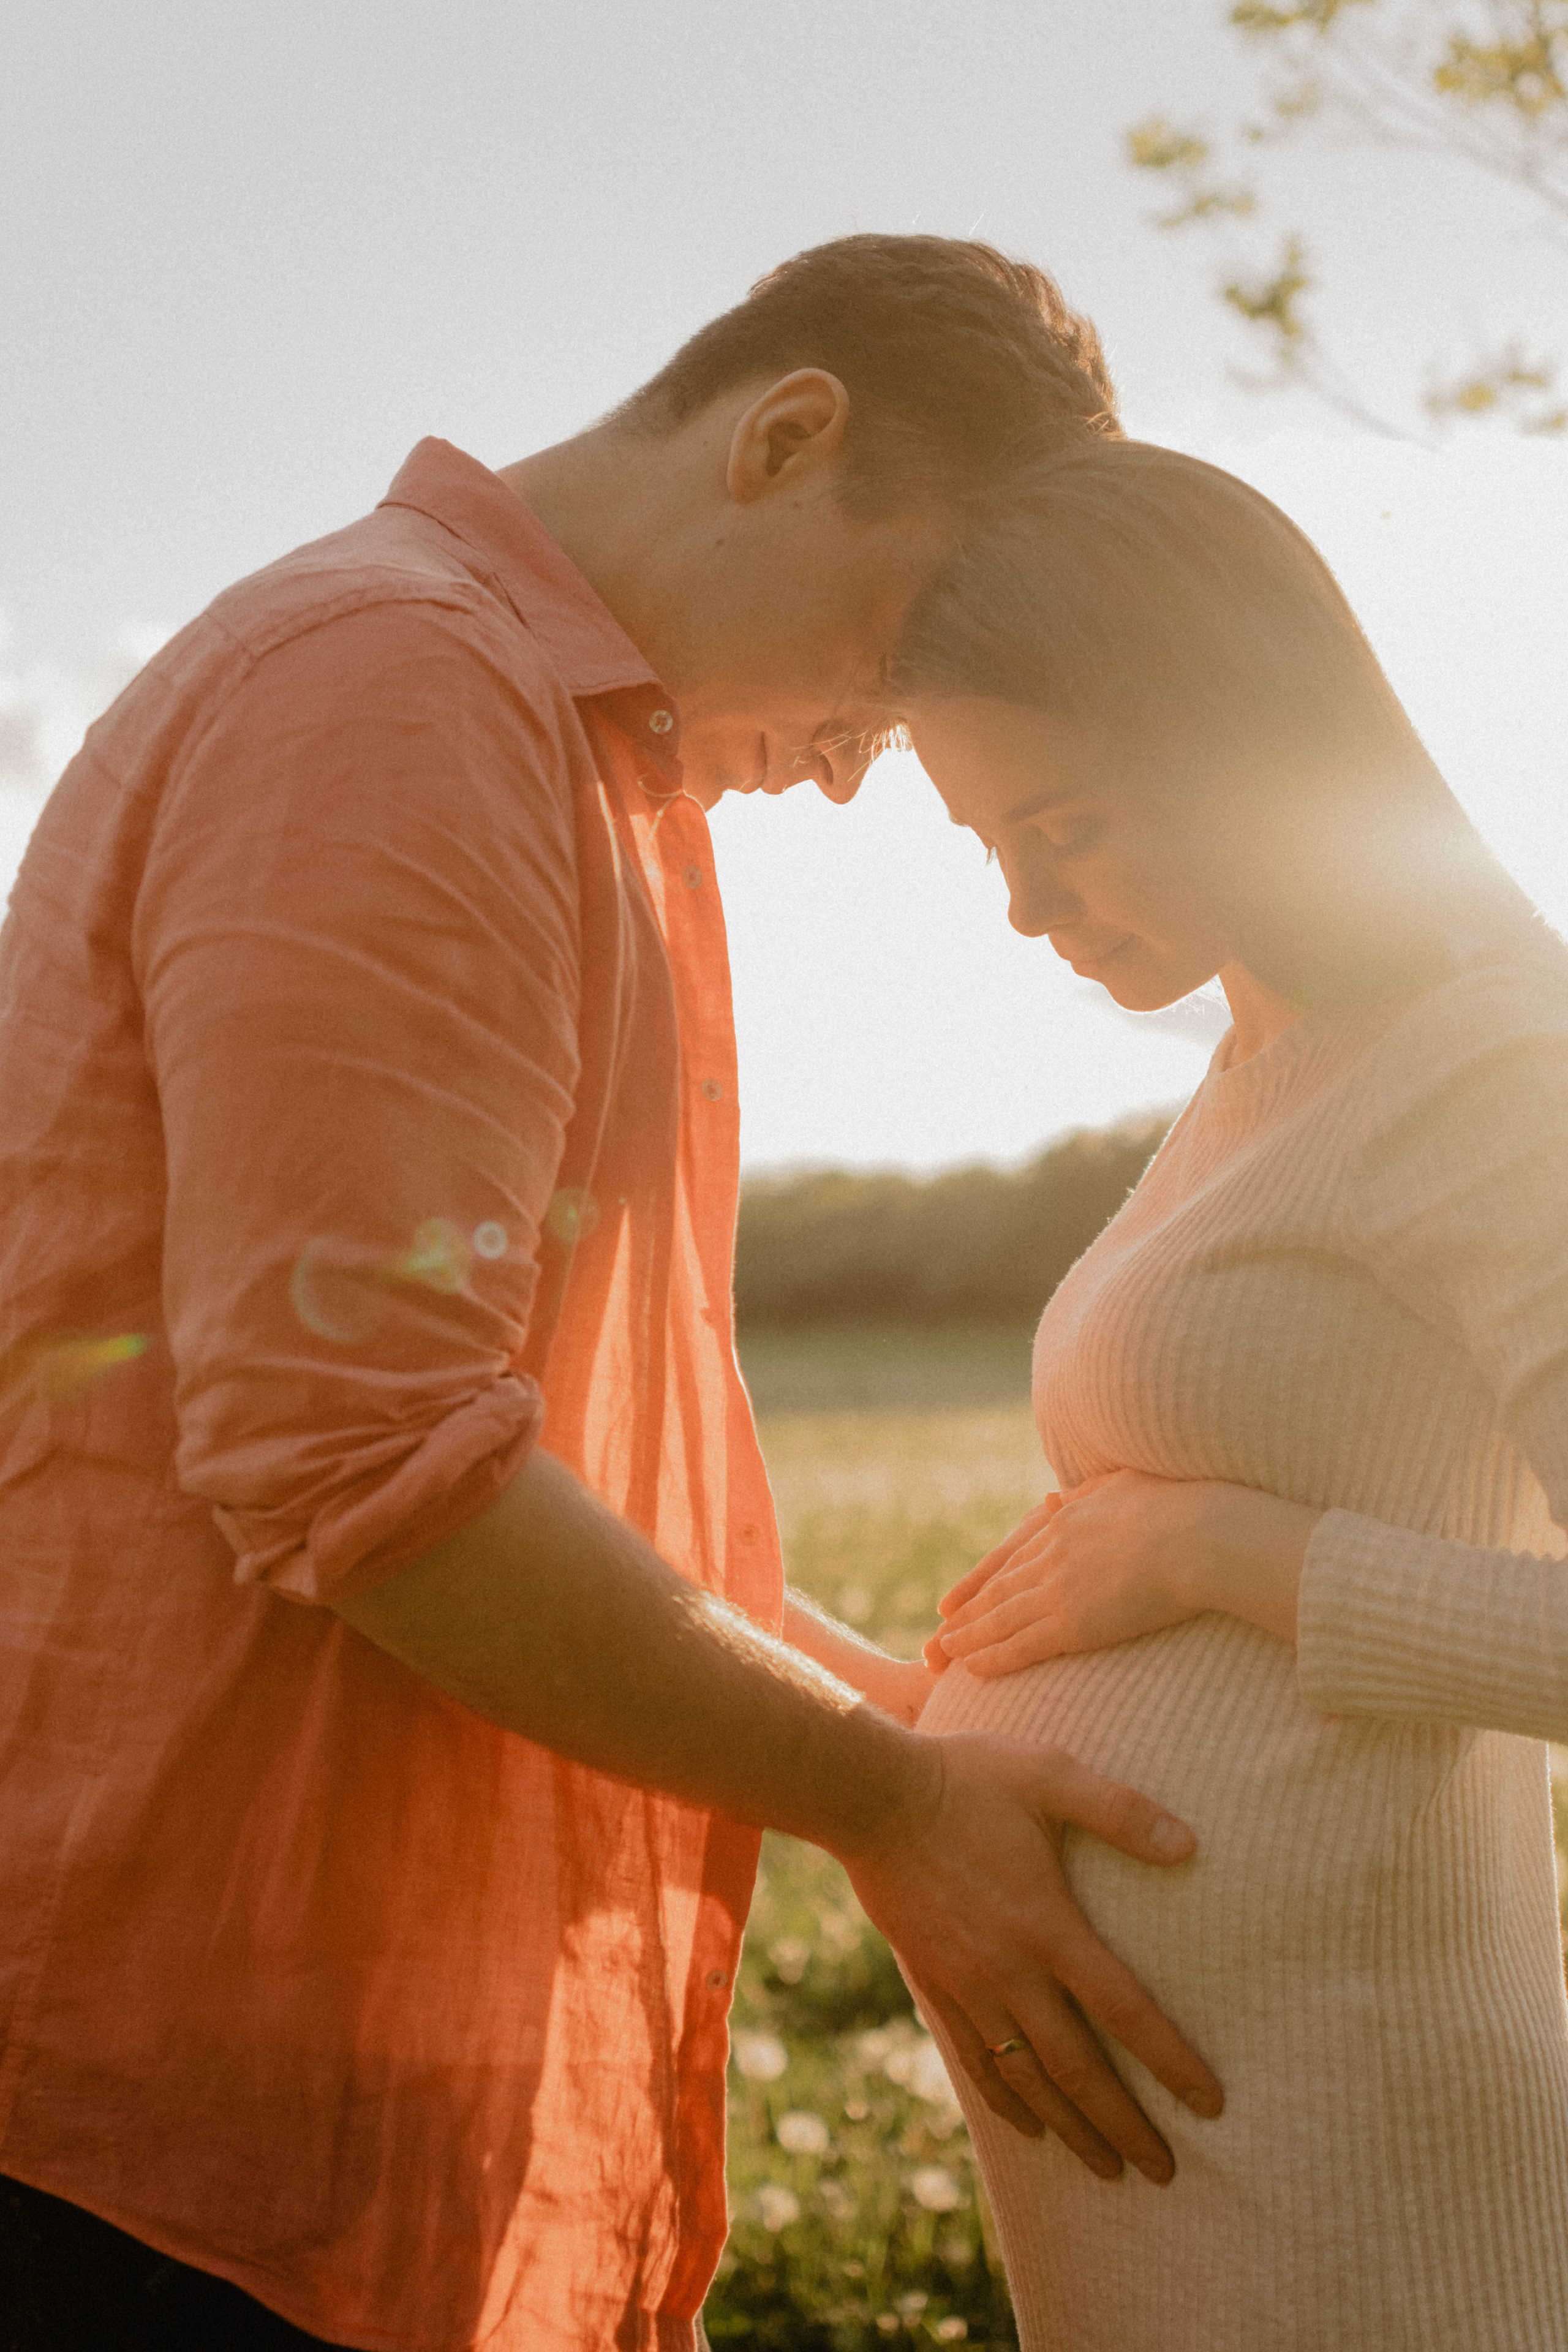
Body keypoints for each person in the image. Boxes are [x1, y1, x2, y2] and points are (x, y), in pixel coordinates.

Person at [0, 241, 1224, 2352]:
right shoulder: (400, 688)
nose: (859, 766)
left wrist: (919, 1716)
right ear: (784, 436)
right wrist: (889, 1802)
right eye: (892, 649)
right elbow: (362, 1455)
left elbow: (530, 1451)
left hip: (289, 2071)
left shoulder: (549, 747)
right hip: (153, 2108)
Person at [892, 438, 1568, 2350]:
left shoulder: (1494, 1066)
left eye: (1069, 822)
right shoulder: (1274, 1063)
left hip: (1366, 2189)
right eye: (986, 844)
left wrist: (1228, 1550)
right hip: (1201, 2168)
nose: (1027, 905)